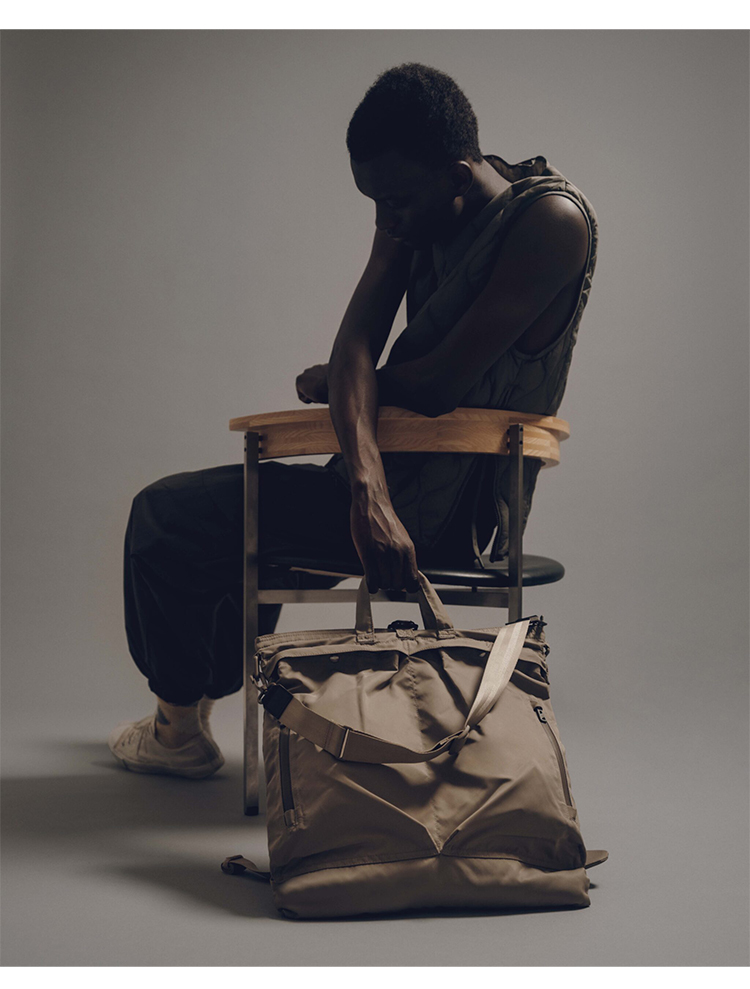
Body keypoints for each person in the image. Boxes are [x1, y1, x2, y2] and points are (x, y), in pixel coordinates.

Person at [109, 62, 598, 779]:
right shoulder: (420, 204)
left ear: (458, 177)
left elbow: (437, 384)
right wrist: (366, 485)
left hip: (455, 515)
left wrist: (346, 386)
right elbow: (355, 347)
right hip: (383, 484)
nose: (384, 221)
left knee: (166, 517)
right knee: (225, 522)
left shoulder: (550, 222)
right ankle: (191, 713)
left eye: (394, 202)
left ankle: (175, 730)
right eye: (372, 201)